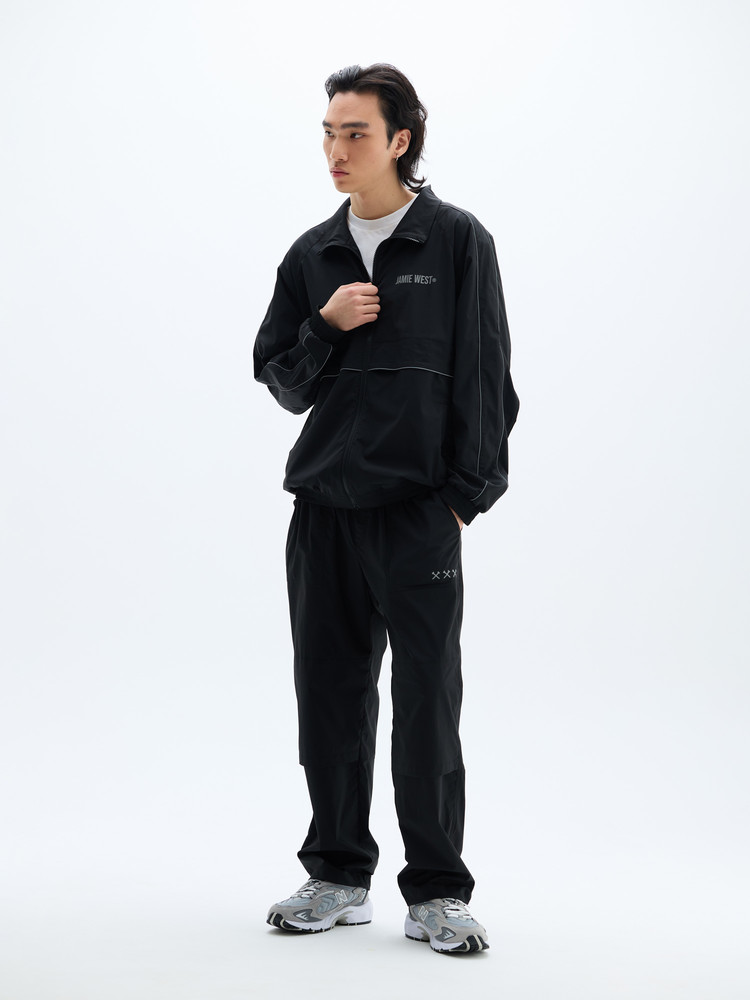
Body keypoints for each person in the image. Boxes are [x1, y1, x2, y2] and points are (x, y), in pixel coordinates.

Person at [253, 63, 519, 955]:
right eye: (328, 133)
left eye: (355, 133)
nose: (336, 150)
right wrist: (325, 326)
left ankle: (438, 891)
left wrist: (463, 500)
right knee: (328, 699)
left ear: (401, 140)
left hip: (417, 516)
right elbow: (280, 382)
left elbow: (487, 378)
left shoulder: (456, 241)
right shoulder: (312, 255)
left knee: (427, 704)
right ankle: (337, 874)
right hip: (323, 513)